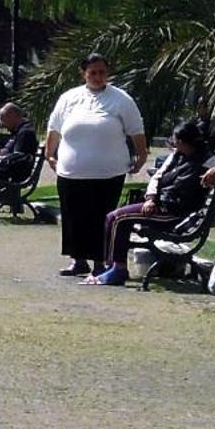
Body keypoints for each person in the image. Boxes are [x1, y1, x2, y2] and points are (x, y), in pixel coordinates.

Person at [86, 120, 215, 285]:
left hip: (175, 213)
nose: (172, 143)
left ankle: (117, 270)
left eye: (174, 139)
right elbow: (157, 177)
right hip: (159, 204)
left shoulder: (207, 160)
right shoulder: (177, 156)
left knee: (117, 218)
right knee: (115, 217)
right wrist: (151, 198)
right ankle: (115, 267)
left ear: (182, 142)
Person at [44, 52, 148, 277]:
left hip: (108, 172)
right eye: (93, 72)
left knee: (101, 217)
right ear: (83, 74)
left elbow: (136, 130)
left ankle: (100, 261)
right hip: (71, 172)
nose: (98, 77)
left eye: (102, 72)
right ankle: (77, 260)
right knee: (74, 217)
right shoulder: (69, 97)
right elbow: (54, 127)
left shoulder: (121, 99)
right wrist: (49, 154)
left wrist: (141, 156)